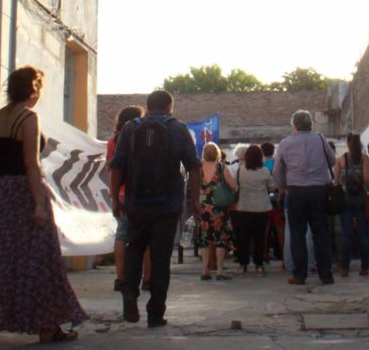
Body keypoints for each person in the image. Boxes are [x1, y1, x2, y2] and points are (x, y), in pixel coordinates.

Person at [0, 66, 87, 347]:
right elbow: (31, 162)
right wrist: (38, 203)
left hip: (0, 193)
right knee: (40, 260)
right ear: (34, 89)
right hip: (26, 192)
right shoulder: (29, 117)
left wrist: (2, 190)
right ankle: (47, 327)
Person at [110, 90, 201, 328]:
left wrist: (115, 199)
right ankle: (156, 313)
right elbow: (194, 167)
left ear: (147, 106)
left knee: (134, 246)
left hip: (136, 202)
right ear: (169, 107)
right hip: (167, 204)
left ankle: (129, 292)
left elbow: (117, 166)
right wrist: (195, 200)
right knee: (161, 257)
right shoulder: (178, 128)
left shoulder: (130, 128)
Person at [273, 109, 336, 285]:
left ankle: (300, 274)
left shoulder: (285, 143)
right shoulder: (320, 139)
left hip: (296, 191)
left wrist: (284, 187)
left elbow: (277, 171)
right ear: (310, 125)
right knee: (321, 233)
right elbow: (332, 160)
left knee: (297, 234)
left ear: (294, 125)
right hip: (319, 191)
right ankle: (326, 274)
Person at [105, 105, 151, 293]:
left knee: (122, 234)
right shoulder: (142, 137)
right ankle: (147, 279)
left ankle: (121, 278)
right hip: (140, 192)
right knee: (146, 236)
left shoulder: (112, 141)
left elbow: (110, 166)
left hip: (119, 192)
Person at [334, 132, 369, 277]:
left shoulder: (340, 159)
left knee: (346, 233)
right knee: (363, 233)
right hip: (360, 198)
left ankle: (345, 267)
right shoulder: (364, 158)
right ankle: (364, 267)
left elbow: (336, 180)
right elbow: (366, 178)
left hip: (345, 199)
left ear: (347, 143)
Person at [196, 141, 237, 280]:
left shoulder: (198, 167)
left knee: (204, 239)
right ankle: (220, 271)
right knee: (220, 238)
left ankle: (205, 270)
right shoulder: (221, 167)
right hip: (219, 208)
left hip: (203, 208)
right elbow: (233, 185)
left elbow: (192, 186)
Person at [234, 144, 275, 275]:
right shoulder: (264, 171)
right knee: (259, 237)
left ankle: (243, 264)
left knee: (243, 237)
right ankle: (259, 265)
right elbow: (272, 186)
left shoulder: (240, 171)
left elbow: (235, 187)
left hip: (243, 207)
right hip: (261, 208)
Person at [261, 142, 284, 262]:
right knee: (280, 229)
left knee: (264, 230)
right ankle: (285, 256)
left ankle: (264, 254)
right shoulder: (276, 163)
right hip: (275, 199)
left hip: (263, 200)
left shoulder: (259, 165)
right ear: (273, 151)